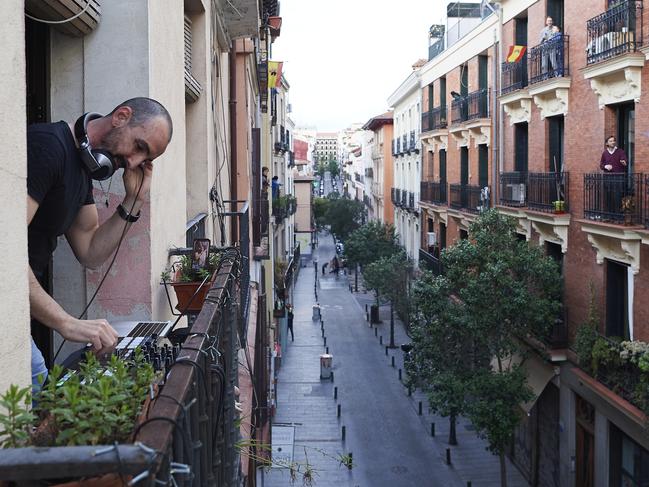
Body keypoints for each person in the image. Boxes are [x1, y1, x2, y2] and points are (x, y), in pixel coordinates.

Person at [27, 97, 173, 387]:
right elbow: (5, 252)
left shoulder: (81, 170)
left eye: (145, 160)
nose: (132, 162)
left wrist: (133, 200)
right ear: (121, 116)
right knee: (39, 404)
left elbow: (90, 251)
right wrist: (66, 323)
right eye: (139, 146)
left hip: (14, 304)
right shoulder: (48, 148)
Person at [600, 135, 628, 220]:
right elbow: (601, 165)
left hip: (618, 177)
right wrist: (605, 167)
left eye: (614, 141)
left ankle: (618, 216)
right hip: (608, 178)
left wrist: (624, 162)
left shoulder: (620, 151)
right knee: (608, 196)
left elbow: (625, 161)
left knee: (618, 196)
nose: (613, 142)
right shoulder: (605, 153)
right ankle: (609, 215)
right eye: (611, 141)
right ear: (607, 143)